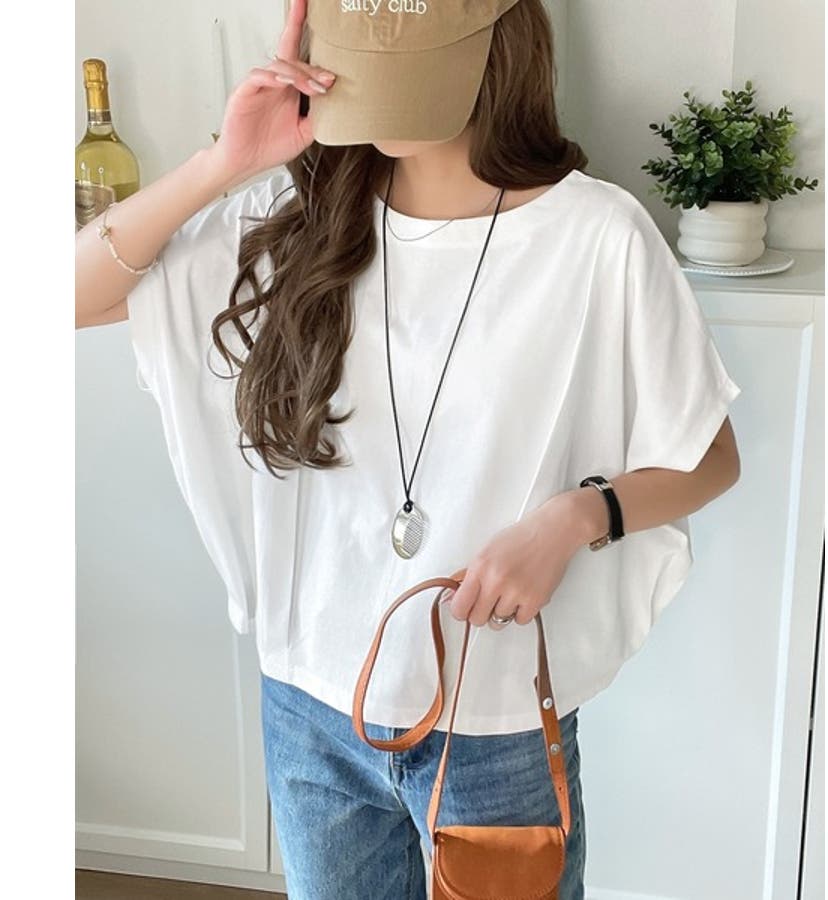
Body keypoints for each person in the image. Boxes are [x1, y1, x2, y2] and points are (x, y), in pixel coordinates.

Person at [74, 1, 743, 897]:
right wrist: (220, 164)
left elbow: (709, 456)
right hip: (310, 708)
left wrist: (576, 517)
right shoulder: (297, 216)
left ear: (497, 49)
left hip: (496, 725)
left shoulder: (598, 236)